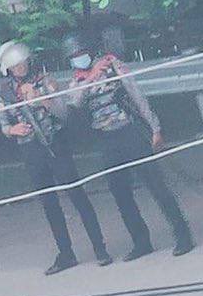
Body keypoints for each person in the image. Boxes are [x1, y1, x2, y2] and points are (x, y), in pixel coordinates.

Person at [65, 34, 194, 261]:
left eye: (80, 54)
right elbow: (73, 103)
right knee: (120, 193)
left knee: (156, 185)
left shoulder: (114, 66)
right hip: (106, 139)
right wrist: (90, 79)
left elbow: (137, 96)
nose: (78, 59)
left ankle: (183, 234)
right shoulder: (77, 80)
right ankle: (141, 241)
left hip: (130, 132)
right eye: (74, 57)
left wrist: (155, 128)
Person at [0, 40, 112, 275]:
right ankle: (66, 254)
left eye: (23, 63)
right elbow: (4, 122)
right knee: (49, 204)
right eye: (15, 65)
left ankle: (100, 248)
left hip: (55, 146)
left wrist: (40, 98)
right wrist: (12, 130)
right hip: (31, 151)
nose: (20, 68)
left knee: (77, 195)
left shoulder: (45, 81)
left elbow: (63, 113)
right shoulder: (5, 91)